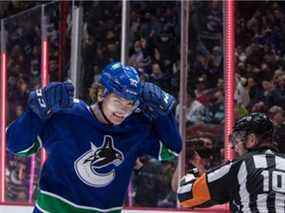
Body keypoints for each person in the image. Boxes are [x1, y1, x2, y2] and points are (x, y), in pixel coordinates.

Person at [7, 62, 182, 213]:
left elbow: (172, 150)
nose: (123, 110)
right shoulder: (67, 115)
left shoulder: (133, 128)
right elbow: (16, 145)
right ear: (101, 94)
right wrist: (35, 112)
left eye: (130, 103)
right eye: (118, 100)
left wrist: (163, 115)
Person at [178, 112, 285, 212]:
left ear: (251, 140)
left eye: (236, 139)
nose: (234, 147)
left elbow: (185, 195)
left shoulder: (237, 166)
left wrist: (195, 170)